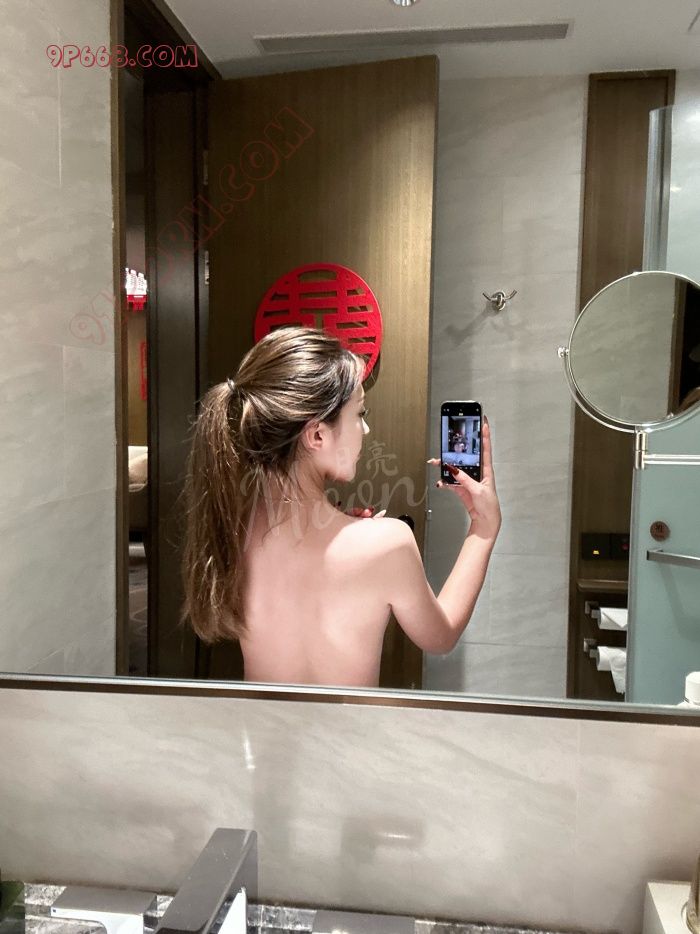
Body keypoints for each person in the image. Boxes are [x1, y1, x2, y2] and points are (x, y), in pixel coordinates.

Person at [180, 326, 501, 688]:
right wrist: (483, 527)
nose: (365, 429)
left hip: (260, 726)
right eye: (359, 413)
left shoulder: (231, 528)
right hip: (348, 728)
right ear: (317, 434)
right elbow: (440, 637)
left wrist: (338, 524)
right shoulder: (387, 543)